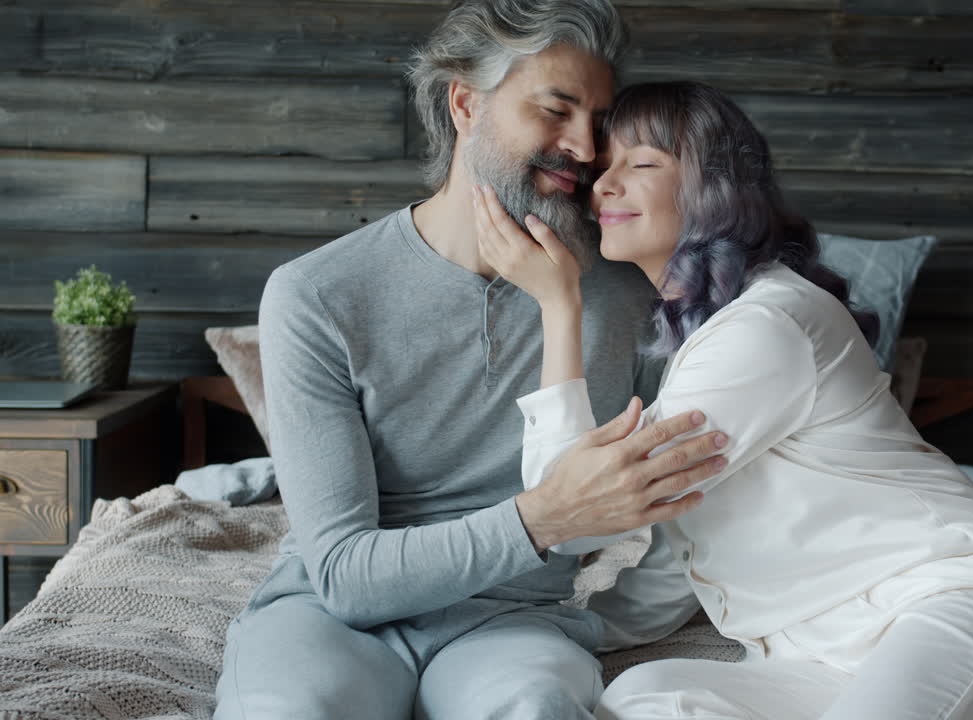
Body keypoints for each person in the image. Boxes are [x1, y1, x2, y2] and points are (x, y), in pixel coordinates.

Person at [476, 81, 973, 720]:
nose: (603, 184)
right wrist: (548, 627)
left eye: (643, 163)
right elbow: (671, 564)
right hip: (817, 655)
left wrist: (557, 304)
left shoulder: (765, 326)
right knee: (640, 697)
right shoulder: (708, 341)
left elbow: (577, 509)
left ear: (714, 190)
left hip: (952, 599)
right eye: (603, 167)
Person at [212, 4, 730, 719]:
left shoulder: (628, 292)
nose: (585, 146)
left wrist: (609, 608)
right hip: (333, 619)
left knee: (536, 708)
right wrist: (541, 517)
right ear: (465, 103)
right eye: (556, 109)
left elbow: (681, 486)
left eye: (599, 121)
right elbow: (341, 575)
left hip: (513, 621)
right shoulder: (317, 294)